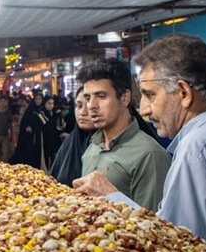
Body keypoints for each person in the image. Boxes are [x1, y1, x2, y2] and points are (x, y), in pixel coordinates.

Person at [71, 33, 206, 248]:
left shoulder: (197, 149)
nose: (144, 109)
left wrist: (111, 197)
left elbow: (176, 245)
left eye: (150, 95)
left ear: (184, 93)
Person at [73, 59, 171, 210]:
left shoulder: (149, 155)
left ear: (125, 98)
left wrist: (112, 196)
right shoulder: (92, 148)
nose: (91, 105)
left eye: (101, 96)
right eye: (87, 98)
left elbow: (154, 222)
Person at [49, 88, 94, 186]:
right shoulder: (69, 143)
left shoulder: (105, 145)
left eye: (89, 106)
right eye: (79, 106)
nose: (82, 112)